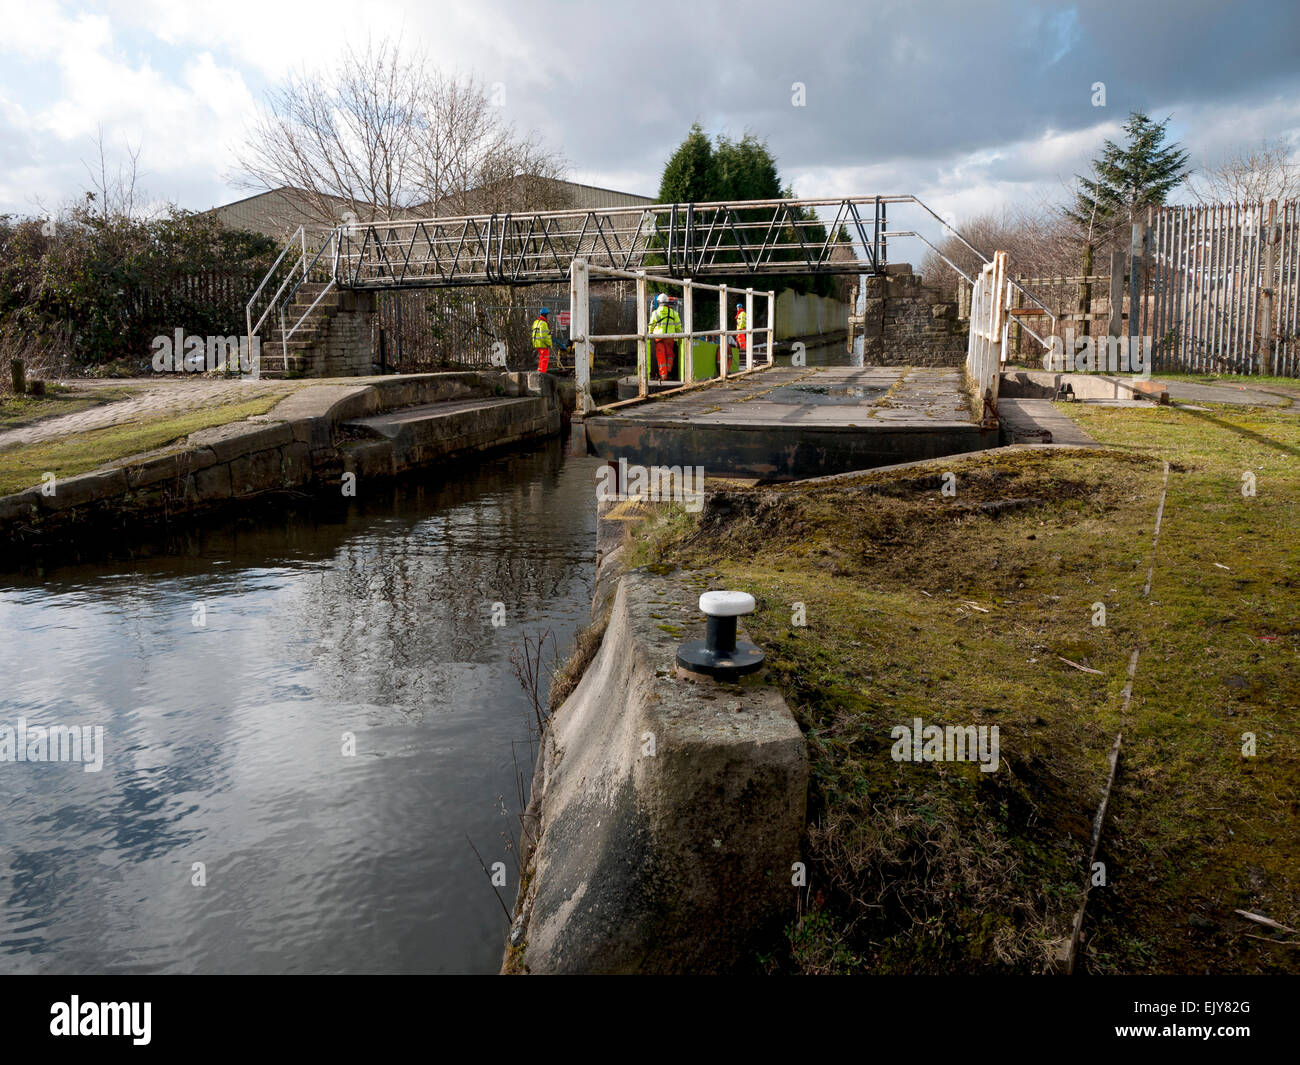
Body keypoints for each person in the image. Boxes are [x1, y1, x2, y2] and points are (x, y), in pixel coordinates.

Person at [648, 294, 682, 381]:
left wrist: (649, 334)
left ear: (658, 302)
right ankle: (668, 372)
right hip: (670, 338)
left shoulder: (655, 313)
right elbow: (678, 327)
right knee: (669, 355)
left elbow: (651, 326)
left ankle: (663, 376)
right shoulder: (674, 313)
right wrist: (680, 337)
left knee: (661, 356)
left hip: (658, 338)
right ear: (667, 302)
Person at [531, 307, 552, 373]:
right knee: (545, 359)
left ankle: (539, 371)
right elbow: (544, 336)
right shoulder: (543, 323)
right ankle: (542, 373)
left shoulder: (536, 322)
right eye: (548, 315)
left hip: (537, 343)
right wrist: (549, 344)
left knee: (541, 358)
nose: (548, 316)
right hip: (543, 344)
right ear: (545, 315)